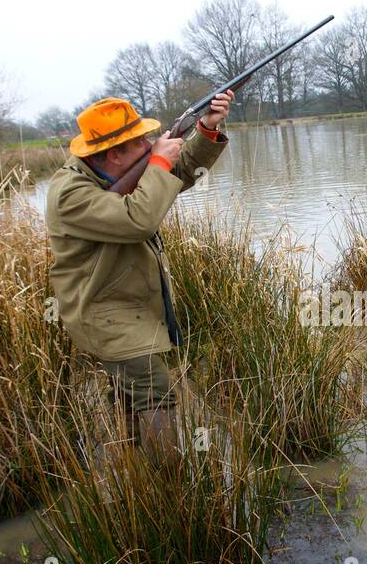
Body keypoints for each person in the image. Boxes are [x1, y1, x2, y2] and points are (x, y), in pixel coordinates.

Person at [45, 90, 234, 446]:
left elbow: (174, 174)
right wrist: (159, 163)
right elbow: (139, 219)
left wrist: (207, 129)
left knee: (130, 400)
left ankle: (134, 474)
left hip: (128, 305)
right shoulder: (69, 194)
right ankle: (169, 482)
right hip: (102, 311)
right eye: (140, 142)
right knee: (154, 391)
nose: (150, 144)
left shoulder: (109, 170)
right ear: (114, 155)